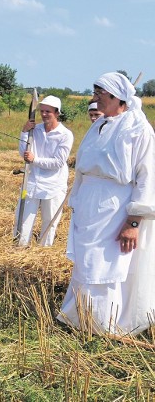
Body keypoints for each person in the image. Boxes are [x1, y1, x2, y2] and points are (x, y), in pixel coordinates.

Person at [58, 72, 155, 335]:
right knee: (86, 262)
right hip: (90, 207)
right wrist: (77, 199)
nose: (94, 99)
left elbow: (147, 177)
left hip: (114, 207)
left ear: (117, 97)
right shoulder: (99, 125)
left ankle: (102, 325)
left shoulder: (138, 128)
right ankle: (79, 316)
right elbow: (84, 169)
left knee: (106, 265)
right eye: (95, 93)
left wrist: (134, 221)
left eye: (100, 94)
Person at [13, 95, 74, 247]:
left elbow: (58, 162)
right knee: (23, 221)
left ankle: (43, 254)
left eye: (49, 112)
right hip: (32, 182)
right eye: (42, 111)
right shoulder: (35, 130)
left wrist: (35, 160)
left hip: (53, 185)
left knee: (49, 222)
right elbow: (24, 153)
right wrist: (24, 132)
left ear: (57, 113)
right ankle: (19, 249)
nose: (44, 114)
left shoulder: (65, 135)